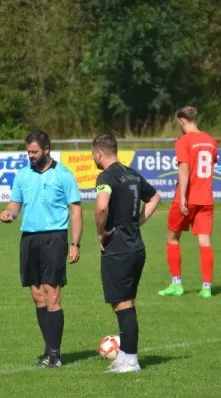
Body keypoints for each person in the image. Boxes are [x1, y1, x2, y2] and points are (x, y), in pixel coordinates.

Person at [0, 130, 82, 368]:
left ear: (46, 149)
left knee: (52, 293)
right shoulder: (22, 175)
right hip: (29, 239)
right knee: (37, 295)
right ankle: (48, 350)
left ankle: (56, 354)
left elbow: (76, 210)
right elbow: (16, 203)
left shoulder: (64, 175)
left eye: (34, 151)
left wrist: (75, 243)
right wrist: (10, 214)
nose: (31, 156)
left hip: (54, 237)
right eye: (28, 152)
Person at [92, 133, 161, 373]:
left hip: (118, 248)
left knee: (122, 304)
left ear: (99, 153)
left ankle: (130, 360)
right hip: (136, 247)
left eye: (93, 154)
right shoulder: (131, 173)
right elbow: (154, 197)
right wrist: (137, 221)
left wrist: (100, 233)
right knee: (124, 302)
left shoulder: (105, 176)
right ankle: (125, 356)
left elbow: (101, 206)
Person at [158, 106, 218, 298]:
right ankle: (206, 288)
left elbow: (184, 168)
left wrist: (182, 195)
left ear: (182, 120)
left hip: (187, 199)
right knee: (205, 242)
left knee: (172, 238)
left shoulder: (184, 140)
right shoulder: (211, 140)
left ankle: (177, 285)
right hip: (206, 199)